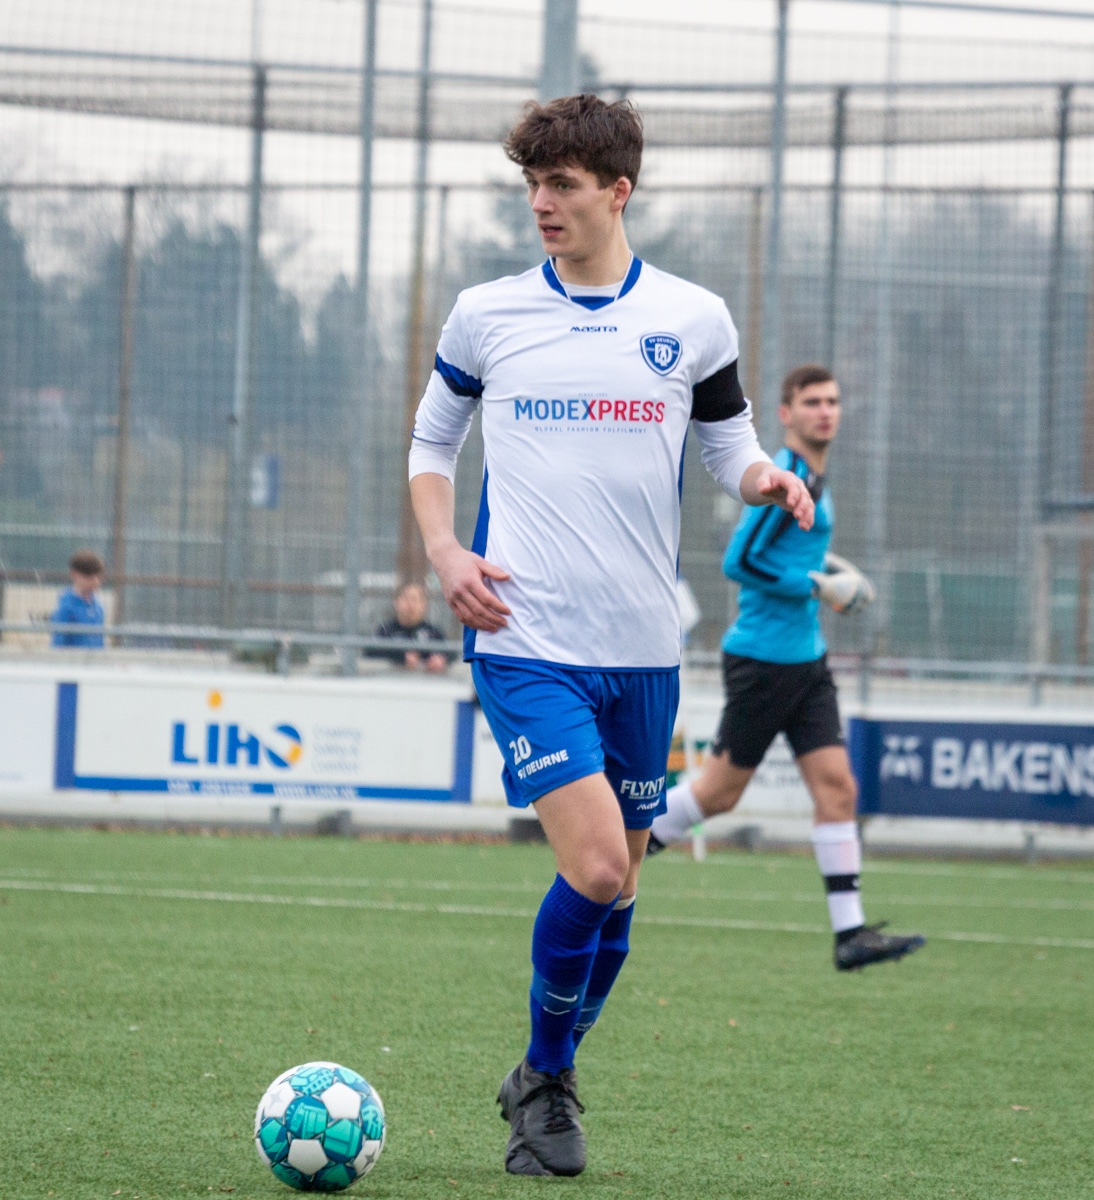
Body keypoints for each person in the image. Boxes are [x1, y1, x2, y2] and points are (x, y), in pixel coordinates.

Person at [407, 94, 815, 1178]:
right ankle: (547, 1079)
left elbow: (729, 447)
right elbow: (431, 443)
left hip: (641, 651)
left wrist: (767, 479)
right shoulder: (487, 315)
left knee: (623, 893)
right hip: (523, 634)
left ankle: (541, 1069)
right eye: (532, 185)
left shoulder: (693, 319)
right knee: (593, 869)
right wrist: (446, 553)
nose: (541, 203)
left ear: (617, 191)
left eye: (563, 185)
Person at [646, 364, 926, 973]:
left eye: (832, 401)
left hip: (807, 660)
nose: (826, 411)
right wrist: (817, 586)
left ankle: (850, 935)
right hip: (765, 662)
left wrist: (830, 572)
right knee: (717, 795)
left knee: (838, 788)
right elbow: (740, 560)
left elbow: (793, 550)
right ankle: (615, 858)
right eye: (812, 402)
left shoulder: (815, 477)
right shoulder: (788, 474)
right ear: (786, 413)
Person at [368, 580, 451, 673]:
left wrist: (441, 659)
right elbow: (370, 653)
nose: (411, 605)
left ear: (424, 604)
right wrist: (401, 658)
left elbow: (452, 653)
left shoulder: (433, 632)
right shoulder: (386, 630)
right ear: (396, 602)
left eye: (415, 600)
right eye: (406, 599)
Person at [50, 549, 106, 648]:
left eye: (98, 577)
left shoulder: (98, 606)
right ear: (74, 575)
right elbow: (58, 643)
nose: (95, 581)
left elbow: (100, 641)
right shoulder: (66, 607)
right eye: (89, 577)